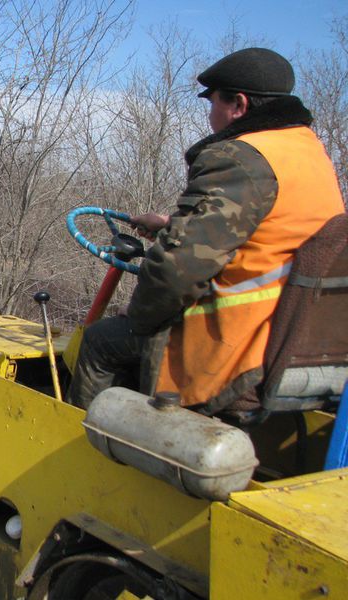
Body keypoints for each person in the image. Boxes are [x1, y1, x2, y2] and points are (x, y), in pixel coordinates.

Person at [67, 48, 345, 415]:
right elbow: (269, 234)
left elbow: (175, 271)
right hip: (289, 336)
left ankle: (87, 453)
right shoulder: (307, 152)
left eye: (212, 102)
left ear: (239, 105)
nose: (210, 114)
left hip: (235, 345)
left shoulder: (239, 158)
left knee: (100, 343)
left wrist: (139, 316)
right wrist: (172, 226)